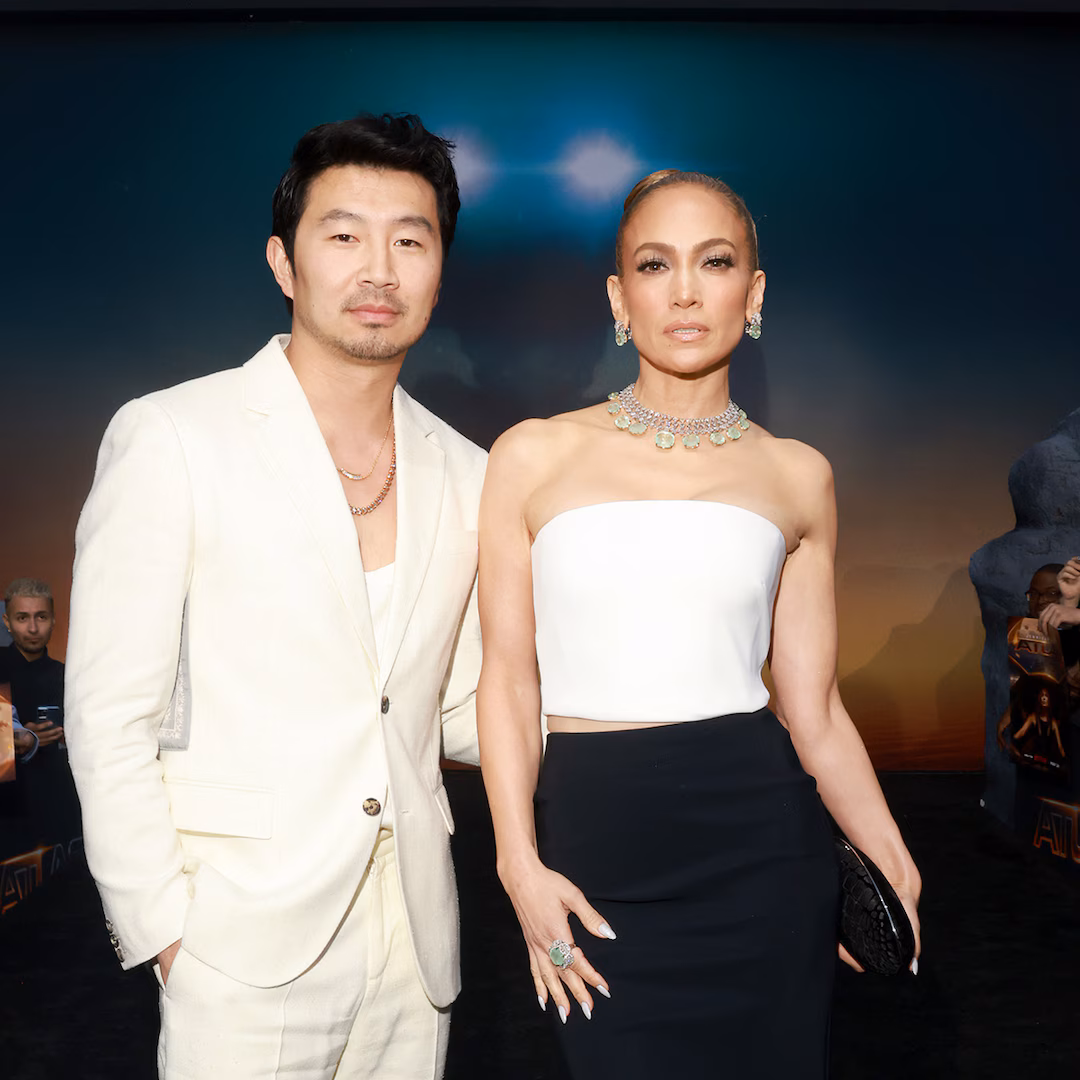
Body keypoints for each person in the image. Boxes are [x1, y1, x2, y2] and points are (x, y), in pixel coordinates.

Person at [65, 113, 486, 1080]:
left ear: (438, 271)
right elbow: (108, 713)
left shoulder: (468, 470)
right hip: (238, 945)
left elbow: (454, 710)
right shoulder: (173, 435)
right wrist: (166, 932)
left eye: (410, 240)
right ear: (283, 262)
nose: (378, 269)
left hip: (412, 945)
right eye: (343, 235)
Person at [476, 169, 921, 1077]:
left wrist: (889, 854)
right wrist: (517, 865)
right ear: (619, 297)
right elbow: (508, 680)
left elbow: (815, 710)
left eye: (714, 263)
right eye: (655, 264)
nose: (684, 291)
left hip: (765, 853)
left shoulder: (799, 475)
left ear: (753, 294)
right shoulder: (532, 454)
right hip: (596, 850)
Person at [0, 578, 66, 752]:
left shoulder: (67, 676)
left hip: (59, 768)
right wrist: (14, 740)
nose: (33, 628)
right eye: (22, 618)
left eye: (42, 617)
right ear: (7, 622)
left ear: (53, 620)